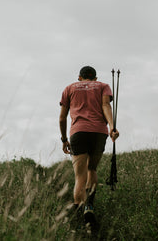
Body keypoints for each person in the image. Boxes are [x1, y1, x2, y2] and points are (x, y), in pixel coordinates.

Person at [59, 66, 119, 223]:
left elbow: (62, 118)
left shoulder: (69, 88)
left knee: (80, 175)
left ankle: (78, 208)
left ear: (79, 77)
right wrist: (111, 127)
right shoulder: (103, 86)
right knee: (92, 168)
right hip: (99, 131)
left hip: (78, 132)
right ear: (95, 78)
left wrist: (64, 139)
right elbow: (106, 106)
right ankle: (89, 206)